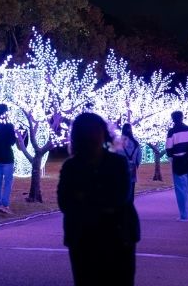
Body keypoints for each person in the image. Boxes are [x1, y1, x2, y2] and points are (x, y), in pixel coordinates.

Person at [57, 112, 140, 286]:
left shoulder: (117, 163)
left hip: (119, 235)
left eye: (95, 130)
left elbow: (118, 198)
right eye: (87, 132)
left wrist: (83, 197)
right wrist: (100, 199)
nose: (92, 136)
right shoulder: (71, 167)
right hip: (83, 238)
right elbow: (65, 202)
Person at [165, 110, 188, 221]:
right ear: (182, 117)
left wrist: (171, 158)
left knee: (181, 188)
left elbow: (169, 148)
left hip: (178, 161)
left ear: (173, 119)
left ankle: (185, 216)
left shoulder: (172, 132)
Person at [120, 123, 142, 202]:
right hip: (132, 168)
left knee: (121, 189)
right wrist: (137, 164)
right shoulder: (135, 143)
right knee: (131, 188)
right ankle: (130, 208)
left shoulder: (119, 142)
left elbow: (115, 154)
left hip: (121, 168)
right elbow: (139, 156)